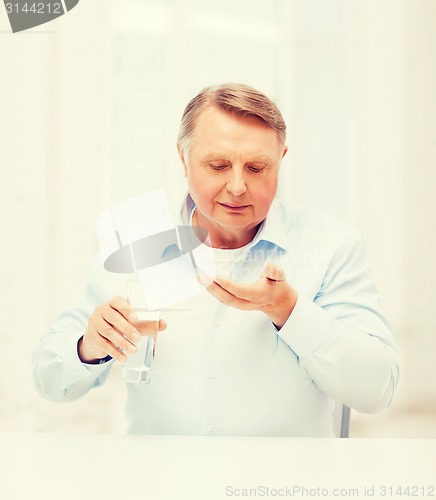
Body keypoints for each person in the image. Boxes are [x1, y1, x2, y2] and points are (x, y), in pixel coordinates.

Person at [33, 83, 399, 436]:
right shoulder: (134, 246)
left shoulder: (331, 247)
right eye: (218, 165)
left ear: (281, 160)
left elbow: (376, 390)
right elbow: (50, 381)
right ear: (183, 157)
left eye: (257, 168)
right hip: (159, 485)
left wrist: (289, 311)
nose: (238, 187)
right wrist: (88, 347)